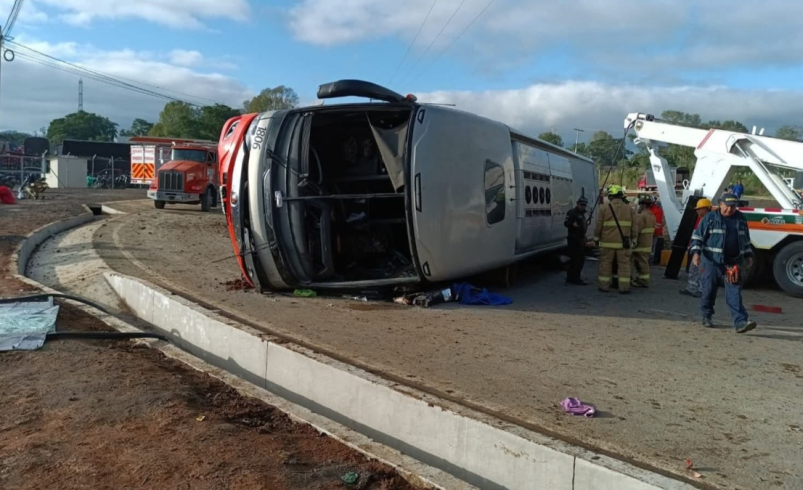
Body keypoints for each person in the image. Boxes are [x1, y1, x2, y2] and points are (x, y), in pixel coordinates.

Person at [690, 193, 757, 333]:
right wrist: (696, 254)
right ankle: (707, 315)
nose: (729, 209)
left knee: (734, 292)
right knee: (708, 289)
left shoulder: (741, 219)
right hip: (711, 261)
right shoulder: (710, 218)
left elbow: (745, 240)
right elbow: (697, 238)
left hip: (733, 262)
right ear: (720, 204)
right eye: (727, 206)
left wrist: (748, 255)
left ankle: (740, 322)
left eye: (733, 207)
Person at [594, 185, 638, 294]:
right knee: (624, 266)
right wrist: (634, 239)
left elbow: (599, 225)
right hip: (624, 244)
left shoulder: (604, 208)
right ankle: (624, 288)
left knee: (605, 264)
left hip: (607, 243)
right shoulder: (629, 208)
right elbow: (634, 226)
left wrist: (596, 238)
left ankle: (604, 286)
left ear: (610, 196)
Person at [680, 198, 712, 297]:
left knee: (702, 270)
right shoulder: (704, 219)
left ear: (705, 209)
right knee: (694, 269)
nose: (697, 211)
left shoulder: (708, 219)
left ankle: (701, 290)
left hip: (703, 250)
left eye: (699, 209)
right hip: (700, 249)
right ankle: (692, 288)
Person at [564, 196, 591, 285]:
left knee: (578, 260)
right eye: (581, 204)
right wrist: (572, 225)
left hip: (580, 238)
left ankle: (572, 277)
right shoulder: (572, 213)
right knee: (576, 260)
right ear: (577, 204)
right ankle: (575, 278)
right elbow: (566, 223)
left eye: (584, 205)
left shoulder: (582, 214)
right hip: (574, 239)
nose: (583, 206)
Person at [631, 194, 657, 288]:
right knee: (643, 261)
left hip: (640, 244)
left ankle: (643, 281)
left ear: (644, 205)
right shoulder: (652, 216)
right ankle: (642, 279)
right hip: (648, 243)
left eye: (640, 204)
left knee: (640, 263)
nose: (639, 206)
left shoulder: (641, 216)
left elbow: (637, 230)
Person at [649, 199, 664, 265]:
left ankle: (650, 260)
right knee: (652, 247)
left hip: (651, 233)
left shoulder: (654, 211)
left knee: (651, 247)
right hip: (653, 232)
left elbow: (657, 224)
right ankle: (650, 260)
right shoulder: (657, 210)